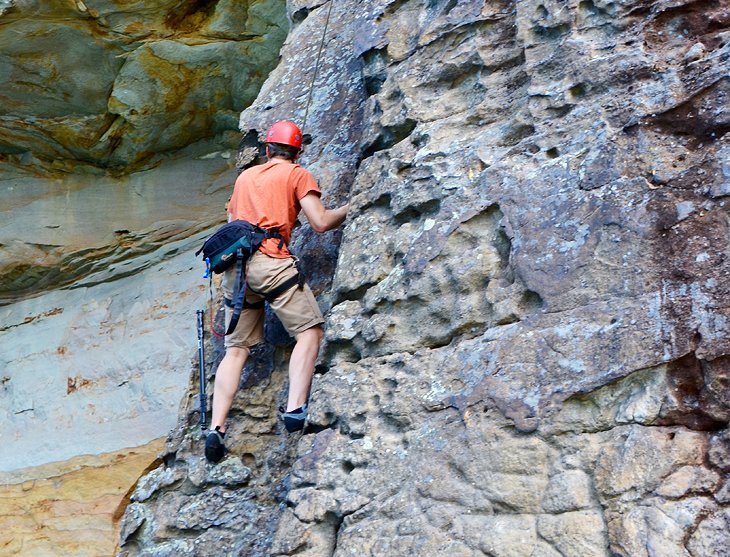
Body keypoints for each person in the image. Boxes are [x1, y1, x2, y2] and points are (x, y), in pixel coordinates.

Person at [205, 120, 349, 463]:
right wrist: (355, 205)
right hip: (271, 262)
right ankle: (295, 408)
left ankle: (216, 428)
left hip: (237, 270)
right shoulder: (298, 174)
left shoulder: (244, 178)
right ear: (297, 151)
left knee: (236, 349)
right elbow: (321, 222)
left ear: (267, 149)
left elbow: (233, 217)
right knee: (309, 332)